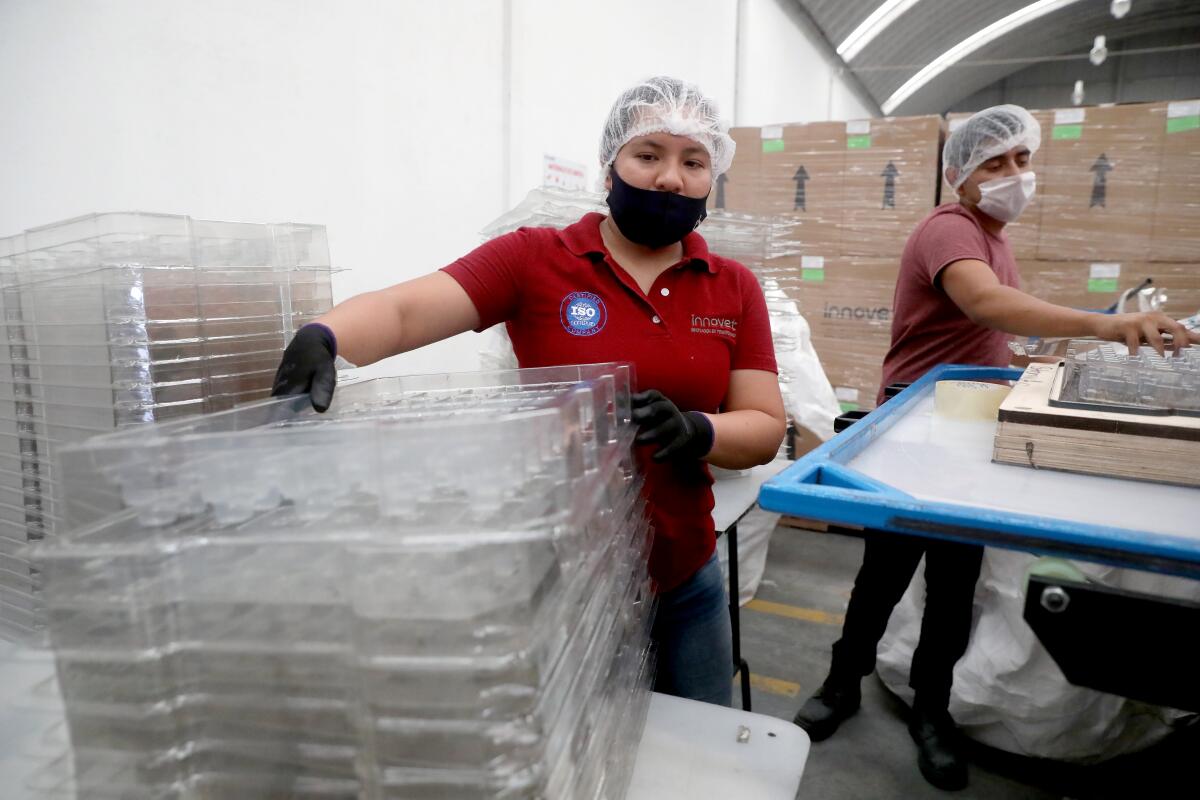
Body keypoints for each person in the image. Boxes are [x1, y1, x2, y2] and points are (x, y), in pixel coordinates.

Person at [270, 76, 786, 708]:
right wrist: (327, 333)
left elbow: (763, 426)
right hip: (565, 580)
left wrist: (698, 431)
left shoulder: (732, 287)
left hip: (686, 580)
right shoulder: (537, 259)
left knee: (701, 760)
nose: (670, 179)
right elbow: (407, 309)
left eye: (692, 161)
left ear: (713, 176)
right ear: (610, 165)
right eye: (648, 154)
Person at [790, 104, 1200, 791]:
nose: (1015, 175)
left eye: (1022, 160)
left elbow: (996, 325)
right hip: (913, 436)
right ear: (960, 175)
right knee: (883, 579)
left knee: (954, 588)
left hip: (965, 432)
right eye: (995, 163)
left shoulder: (995, 236)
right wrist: (1111, 326)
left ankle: (931, 712)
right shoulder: (948, 228)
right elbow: (985, 305)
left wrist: (1084, 331)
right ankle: (841, 684)